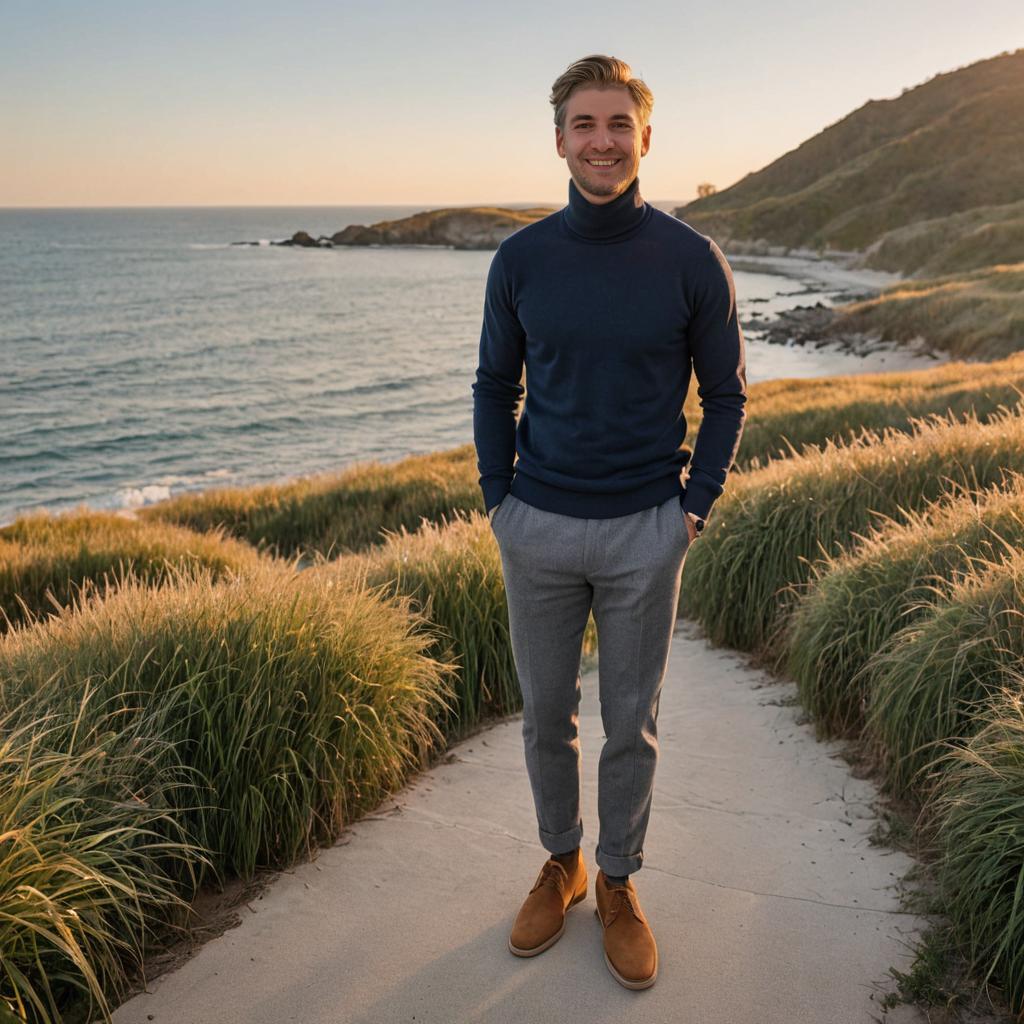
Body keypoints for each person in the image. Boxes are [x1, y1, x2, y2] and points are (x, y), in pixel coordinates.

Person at [471, 53, 747, 990]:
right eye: (584, 125)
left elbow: (727, 396)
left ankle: (620, 883)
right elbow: (493, 386)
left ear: (644, 138)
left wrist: (693, 510)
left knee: (633, 722)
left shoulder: (689, 259)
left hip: (645, 528)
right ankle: (563, 863)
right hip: (536, 524)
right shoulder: (521, 259)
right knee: (548, 715)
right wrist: (497, 500)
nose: (601, 141)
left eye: (617, 124)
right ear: (559, 140)